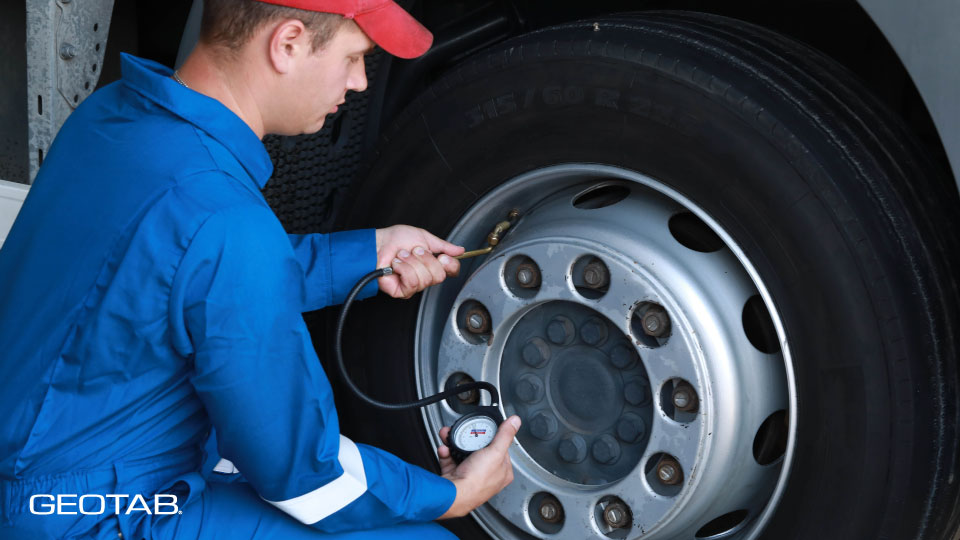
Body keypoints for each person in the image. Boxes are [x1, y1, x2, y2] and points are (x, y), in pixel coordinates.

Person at [0, 0, 521, 538]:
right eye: (354, 57)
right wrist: (451, 495)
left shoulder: (113, 116)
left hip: (42, 468)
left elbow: (181, 273)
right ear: (287, 43)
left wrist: (368, 253)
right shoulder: (227, 223)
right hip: (90, 515)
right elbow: (303, 475)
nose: (362, 82)